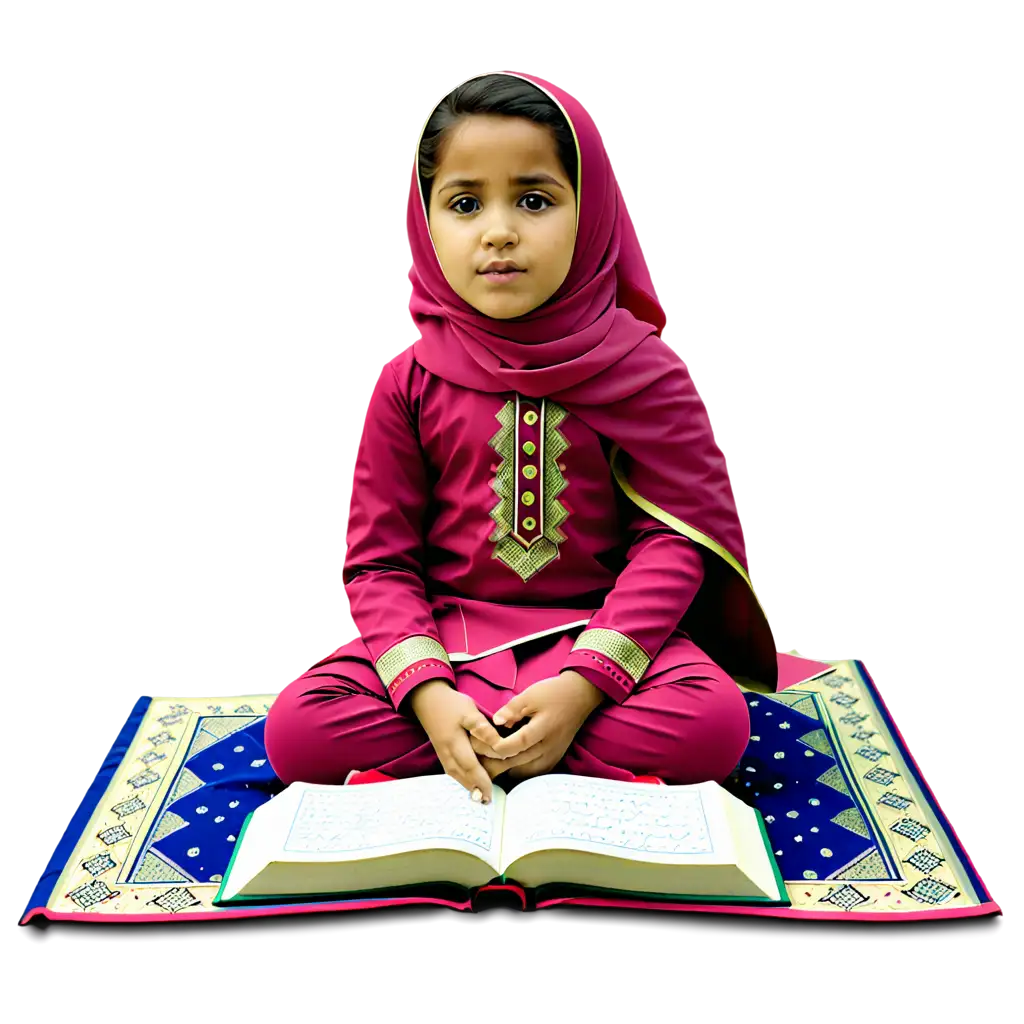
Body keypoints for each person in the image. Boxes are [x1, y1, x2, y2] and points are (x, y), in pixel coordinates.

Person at [264, 69, 777, 805]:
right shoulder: (405, 379)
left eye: (533, 200)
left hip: (598, 648)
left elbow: (673, 543)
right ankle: (498, 747)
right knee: (298, 730)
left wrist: (581, 688)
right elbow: (378, 564)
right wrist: (430, 695)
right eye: (466, 203)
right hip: (447, 649)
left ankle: (492, 753)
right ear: (425, 220)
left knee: (714, 723)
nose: (499, 230)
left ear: (591, 211)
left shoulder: (645, 371)